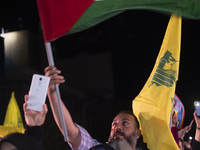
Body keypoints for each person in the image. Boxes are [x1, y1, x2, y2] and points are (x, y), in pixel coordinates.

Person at [45, 65, 144, 150]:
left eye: (125, 123)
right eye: (114, 124)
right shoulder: (95, 148)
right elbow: (71, 132)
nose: (118, 127)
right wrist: (52, 92)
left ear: (137, 133)